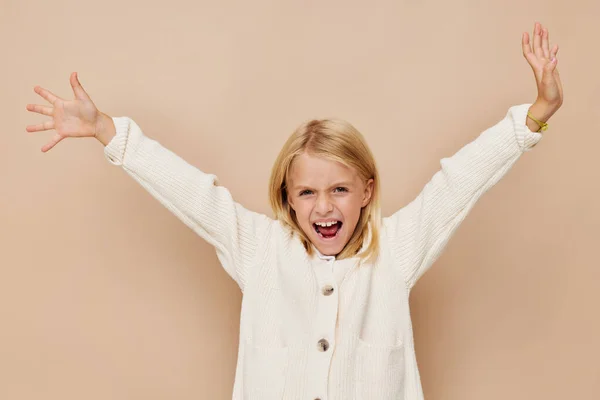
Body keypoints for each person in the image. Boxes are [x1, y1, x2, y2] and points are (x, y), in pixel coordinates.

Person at [25, 21, 562, 400]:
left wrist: (535, 115)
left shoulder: (398, 249)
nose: (324, 206)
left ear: (368, 191)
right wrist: (106, 131)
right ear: (286, 197)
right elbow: (192, 192)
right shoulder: (260, 250)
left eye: (340, 191)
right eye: (306, 193)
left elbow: (459, 182)